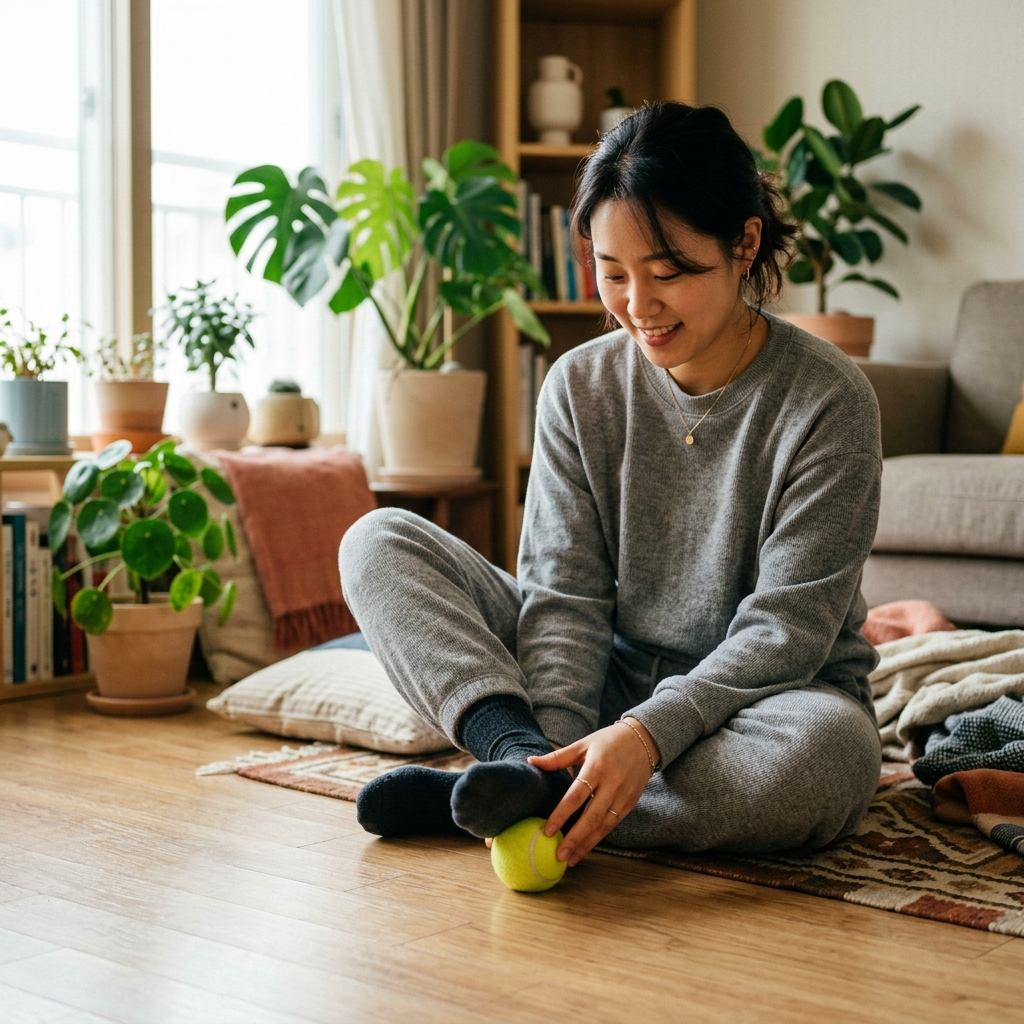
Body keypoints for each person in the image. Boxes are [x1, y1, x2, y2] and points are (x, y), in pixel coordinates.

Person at [341, 101, 882, 868]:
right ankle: (527, 764)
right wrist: (556, 740)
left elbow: (787, 632)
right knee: (377, 541)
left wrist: (645, 736)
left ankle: (538, 801)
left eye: (669, 273)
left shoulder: (830, 398)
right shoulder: (578, 386)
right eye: (613, 272)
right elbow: (564, 595)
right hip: (607, 680)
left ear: (745, 243)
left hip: (769, 699)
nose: (637, 305)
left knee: (826, 760)